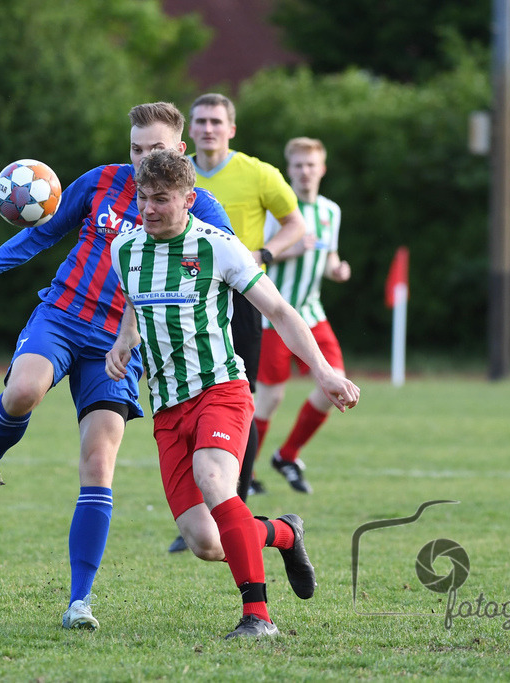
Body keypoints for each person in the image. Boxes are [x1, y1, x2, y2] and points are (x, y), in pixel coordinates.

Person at [0, 102, 232, 631]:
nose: (143, 159)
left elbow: (228, 271)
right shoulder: (101, 183)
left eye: (156, 150)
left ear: (180, 150)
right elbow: (41, 233)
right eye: (136, 149)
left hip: (122, 342)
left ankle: (80, 600)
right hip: (62, 314)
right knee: (21, 393)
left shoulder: (200, 208)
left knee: (98, 464)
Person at [106, 148, 360, 639]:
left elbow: (283, 313)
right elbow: (136, 309)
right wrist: (123, 343)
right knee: (205, 541)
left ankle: (258, 618)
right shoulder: (125, 249)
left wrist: (325, 371)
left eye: (162, 199)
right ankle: (283, 532)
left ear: (188, 199)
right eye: (143, 198)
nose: (149, 208)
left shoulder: (218, 247)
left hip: (221, 389)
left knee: (215, 478)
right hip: (166, 407)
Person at [166, 92, 308, 553]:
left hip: (239, 295)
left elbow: (297, 228)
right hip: (182, 296)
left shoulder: (259, 173)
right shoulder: (172, 173)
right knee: (184, 398)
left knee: (235, 398)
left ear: (232, 129)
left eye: (216, 121)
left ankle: (235, 507)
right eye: (200, 121)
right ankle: (198, 516)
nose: (207, 129)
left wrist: (263, 254)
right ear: (189, 130)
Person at [254, 137, 351, 494]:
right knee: (270, 398)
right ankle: (244, 472)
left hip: (313, 313)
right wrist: (289, 250)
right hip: (273, 316)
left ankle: (287, 454)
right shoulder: (275, 211)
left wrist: (337, 270)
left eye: (311, 165)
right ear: (288, 170)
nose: (305, 172)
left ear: (322, 169)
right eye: (298, 166)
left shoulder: (330, 211)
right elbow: (256, 257)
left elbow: (328, 260)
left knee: (335, 386)